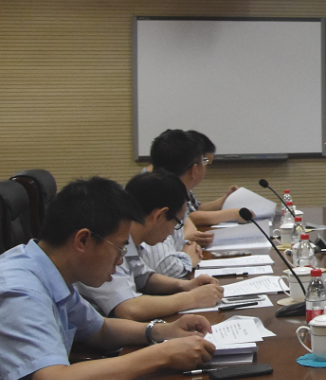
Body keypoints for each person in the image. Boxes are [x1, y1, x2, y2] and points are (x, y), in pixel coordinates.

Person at [0, 177, 216, 380]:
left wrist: (162, 332)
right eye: (119, 248)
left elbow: (100, 330)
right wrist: (162, 355)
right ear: (83, 240)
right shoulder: (20, 291)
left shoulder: (47, 269)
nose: (120, 261)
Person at [77, 172, 225, 321]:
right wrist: (192, 298)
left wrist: (184, 285)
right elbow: (129, 309)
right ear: (159, 215)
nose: (172, 232)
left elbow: (143, 277)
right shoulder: (106, 243)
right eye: (176, 223)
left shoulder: (132, 240)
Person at [140, 129, 208, 276]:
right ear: (194, 170)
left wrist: (185, 247)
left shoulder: (174, 195)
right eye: (204, 161)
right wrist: (188, 258)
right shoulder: (159, 198)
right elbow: (165, 268)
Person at [184, 130, 244, 228]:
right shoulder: (169, 183)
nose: (205, 169)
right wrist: (233, 214)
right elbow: (189, 218)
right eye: (205, 163)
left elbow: (197, 209)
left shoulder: (186, 183)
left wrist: (225, 199)